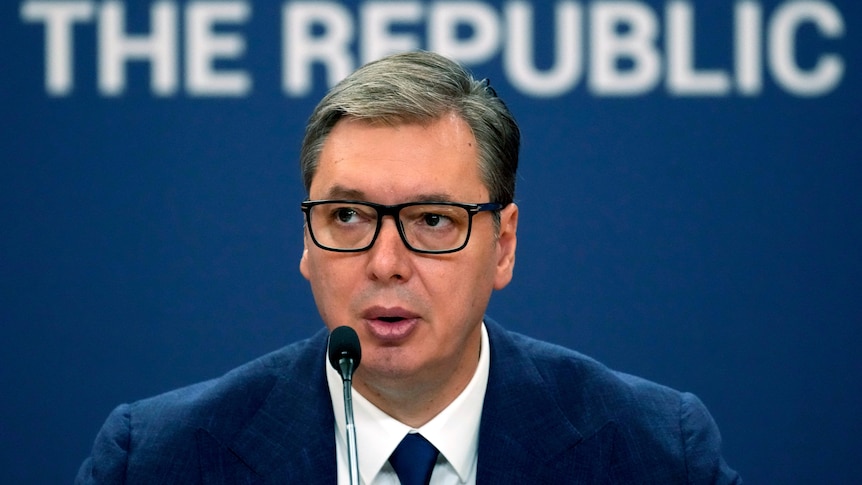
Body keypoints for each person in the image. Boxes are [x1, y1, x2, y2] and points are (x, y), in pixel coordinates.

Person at [76, 51, 741, 484]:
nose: (386, 264)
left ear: (503, 244)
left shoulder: (655, 453)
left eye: (432, 221)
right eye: (347, 218)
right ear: (305, 241)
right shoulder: (157, 459)